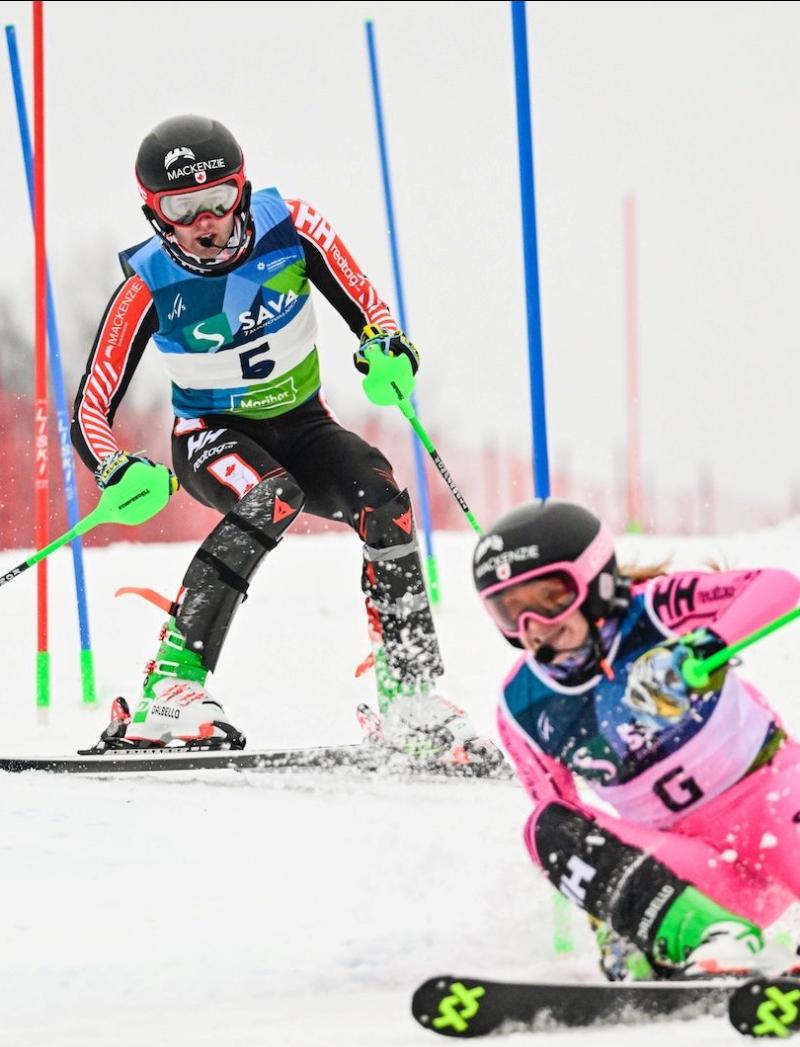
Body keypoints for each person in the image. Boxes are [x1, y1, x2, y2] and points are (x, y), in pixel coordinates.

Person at [70, 113, 497, 768]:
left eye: (220, 198)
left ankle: (409, 693)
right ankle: (171, 687)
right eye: (184, 208)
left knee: (384, 499)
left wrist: (387, 350)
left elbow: (372, 313)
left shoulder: (291, 227)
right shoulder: (148, 281)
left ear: (243, 189)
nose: (206, 220)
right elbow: (90, 406)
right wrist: (113, 464)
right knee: (270, 495)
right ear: (156, 213)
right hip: (210, 434)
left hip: (304, 425)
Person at [472, 497, 800, 979]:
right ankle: (707, 937)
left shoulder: (657, 610)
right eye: (509, 612)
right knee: (545, 827)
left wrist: (706, 645)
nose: (534, 627)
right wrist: (610, 921)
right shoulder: (524, 705)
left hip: (774, 811)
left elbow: (780, 588)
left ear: (595, 581)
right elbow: (568, 825)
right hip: (698, 873)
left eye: (550, 599)